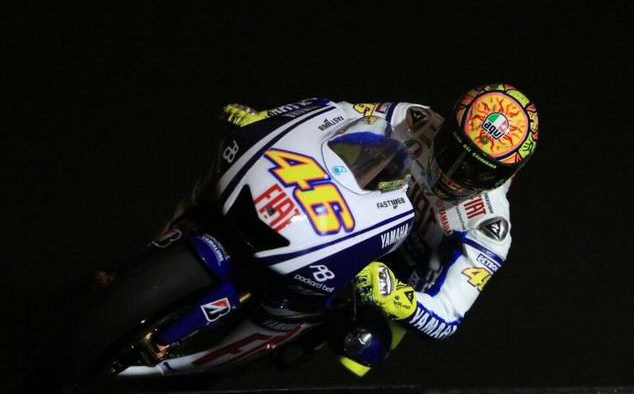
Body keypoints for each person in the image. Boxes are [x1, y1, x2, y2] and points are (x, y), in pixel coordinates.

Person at [159, 83, 539, 376]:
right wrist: (268, 120)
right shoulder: (414, 119)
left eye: (477, 171)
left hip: (398, 277)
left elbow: (448, 315)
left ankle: (299, 339)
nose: (455, 172)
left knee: (361, 350)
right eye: (453, 150)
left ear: (504, 176)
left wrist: (398, 299)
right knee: (230, 167)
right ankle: (171, 239)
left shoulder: (490, 225)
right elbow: (332, 114)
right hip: (356, 219)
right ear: (447, 128)